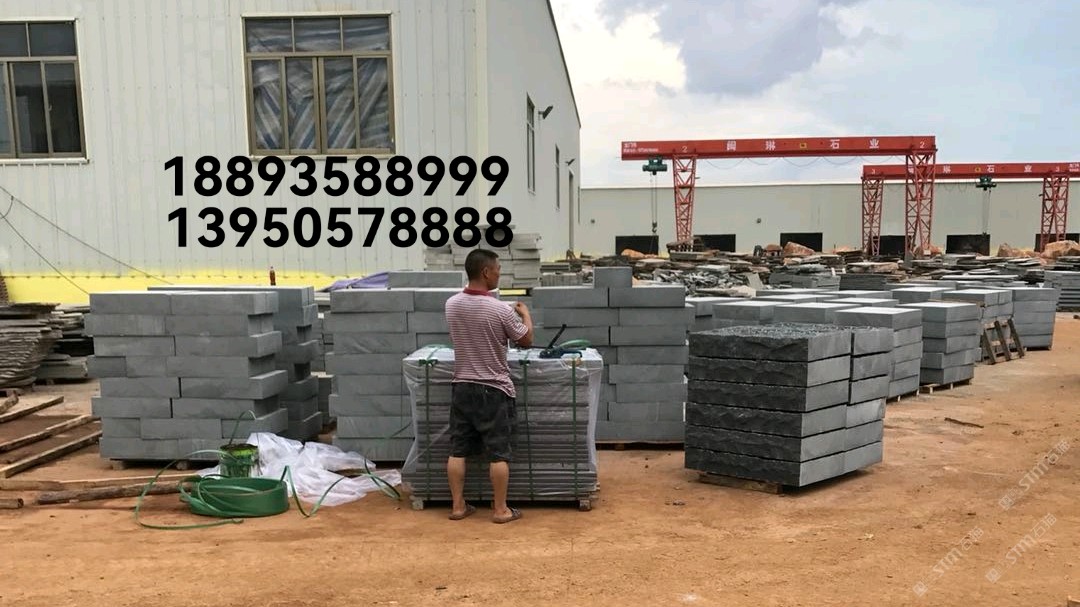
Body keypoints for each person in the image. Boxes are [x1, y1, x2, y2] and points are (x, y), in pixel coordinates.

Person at [443, 248, 534, 523]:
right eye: (497, 270)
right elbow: (526, 340)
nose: (499, 274)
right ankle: (500, 509)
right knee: (498, 453)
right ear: (485, 272)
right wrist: (525, 314)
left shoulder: (451, 304)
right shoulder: (500, 309)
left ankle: (458, 506)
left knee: (458, 449)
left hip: (462, 386)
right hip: (493, 389)